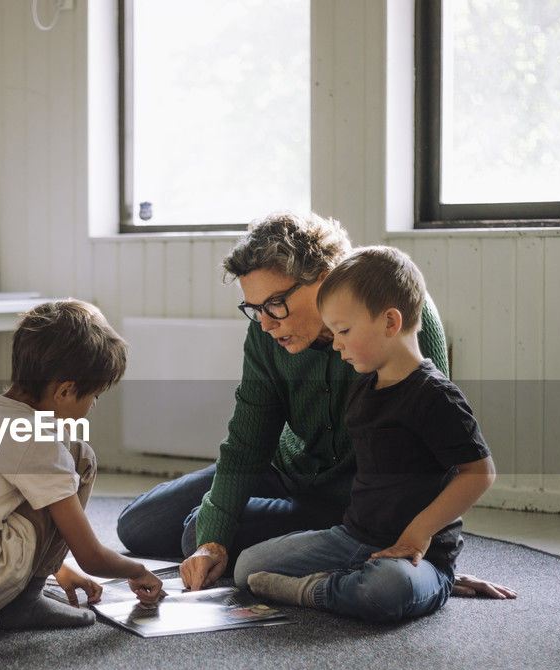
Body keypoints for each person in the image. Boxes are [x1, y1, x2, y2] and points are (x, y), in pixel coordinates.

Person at [114, 211, 509, 600]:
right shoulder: (265, 333)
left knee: (193, 530)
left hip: (355, 503)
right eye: (254, 309)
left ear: (323, 277)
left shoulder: (393, 322)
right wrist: (212, 543)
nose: (265, 324)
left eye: (275, 304)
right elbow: (247, 443)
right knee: (140, 528)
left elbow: (436, 457)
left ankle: (360, 564)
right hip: (285, 470)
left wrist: (422, 554)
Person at [241, 246, 508, 621]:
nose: (335, 344)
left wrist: (417, 534)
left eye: (344, 331)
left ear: (390, 323)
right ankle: (348, 580)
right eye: (333, 332)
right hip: (354, 538)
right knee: (245, 567)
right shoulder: (364, 388)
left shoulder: (436, 397)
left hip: (417, 554)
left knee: (386, 589)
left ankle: (315, 591)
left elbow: (480, 472)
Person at [0, 299, 165, 635]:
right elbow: (91, 557)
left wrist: (58, 569)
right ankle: (26, 601)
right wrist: (136, 570)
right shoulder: (40, 443)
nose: (93, 406)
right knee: (80, 458)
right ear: (64, 391)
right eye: (95, 396)